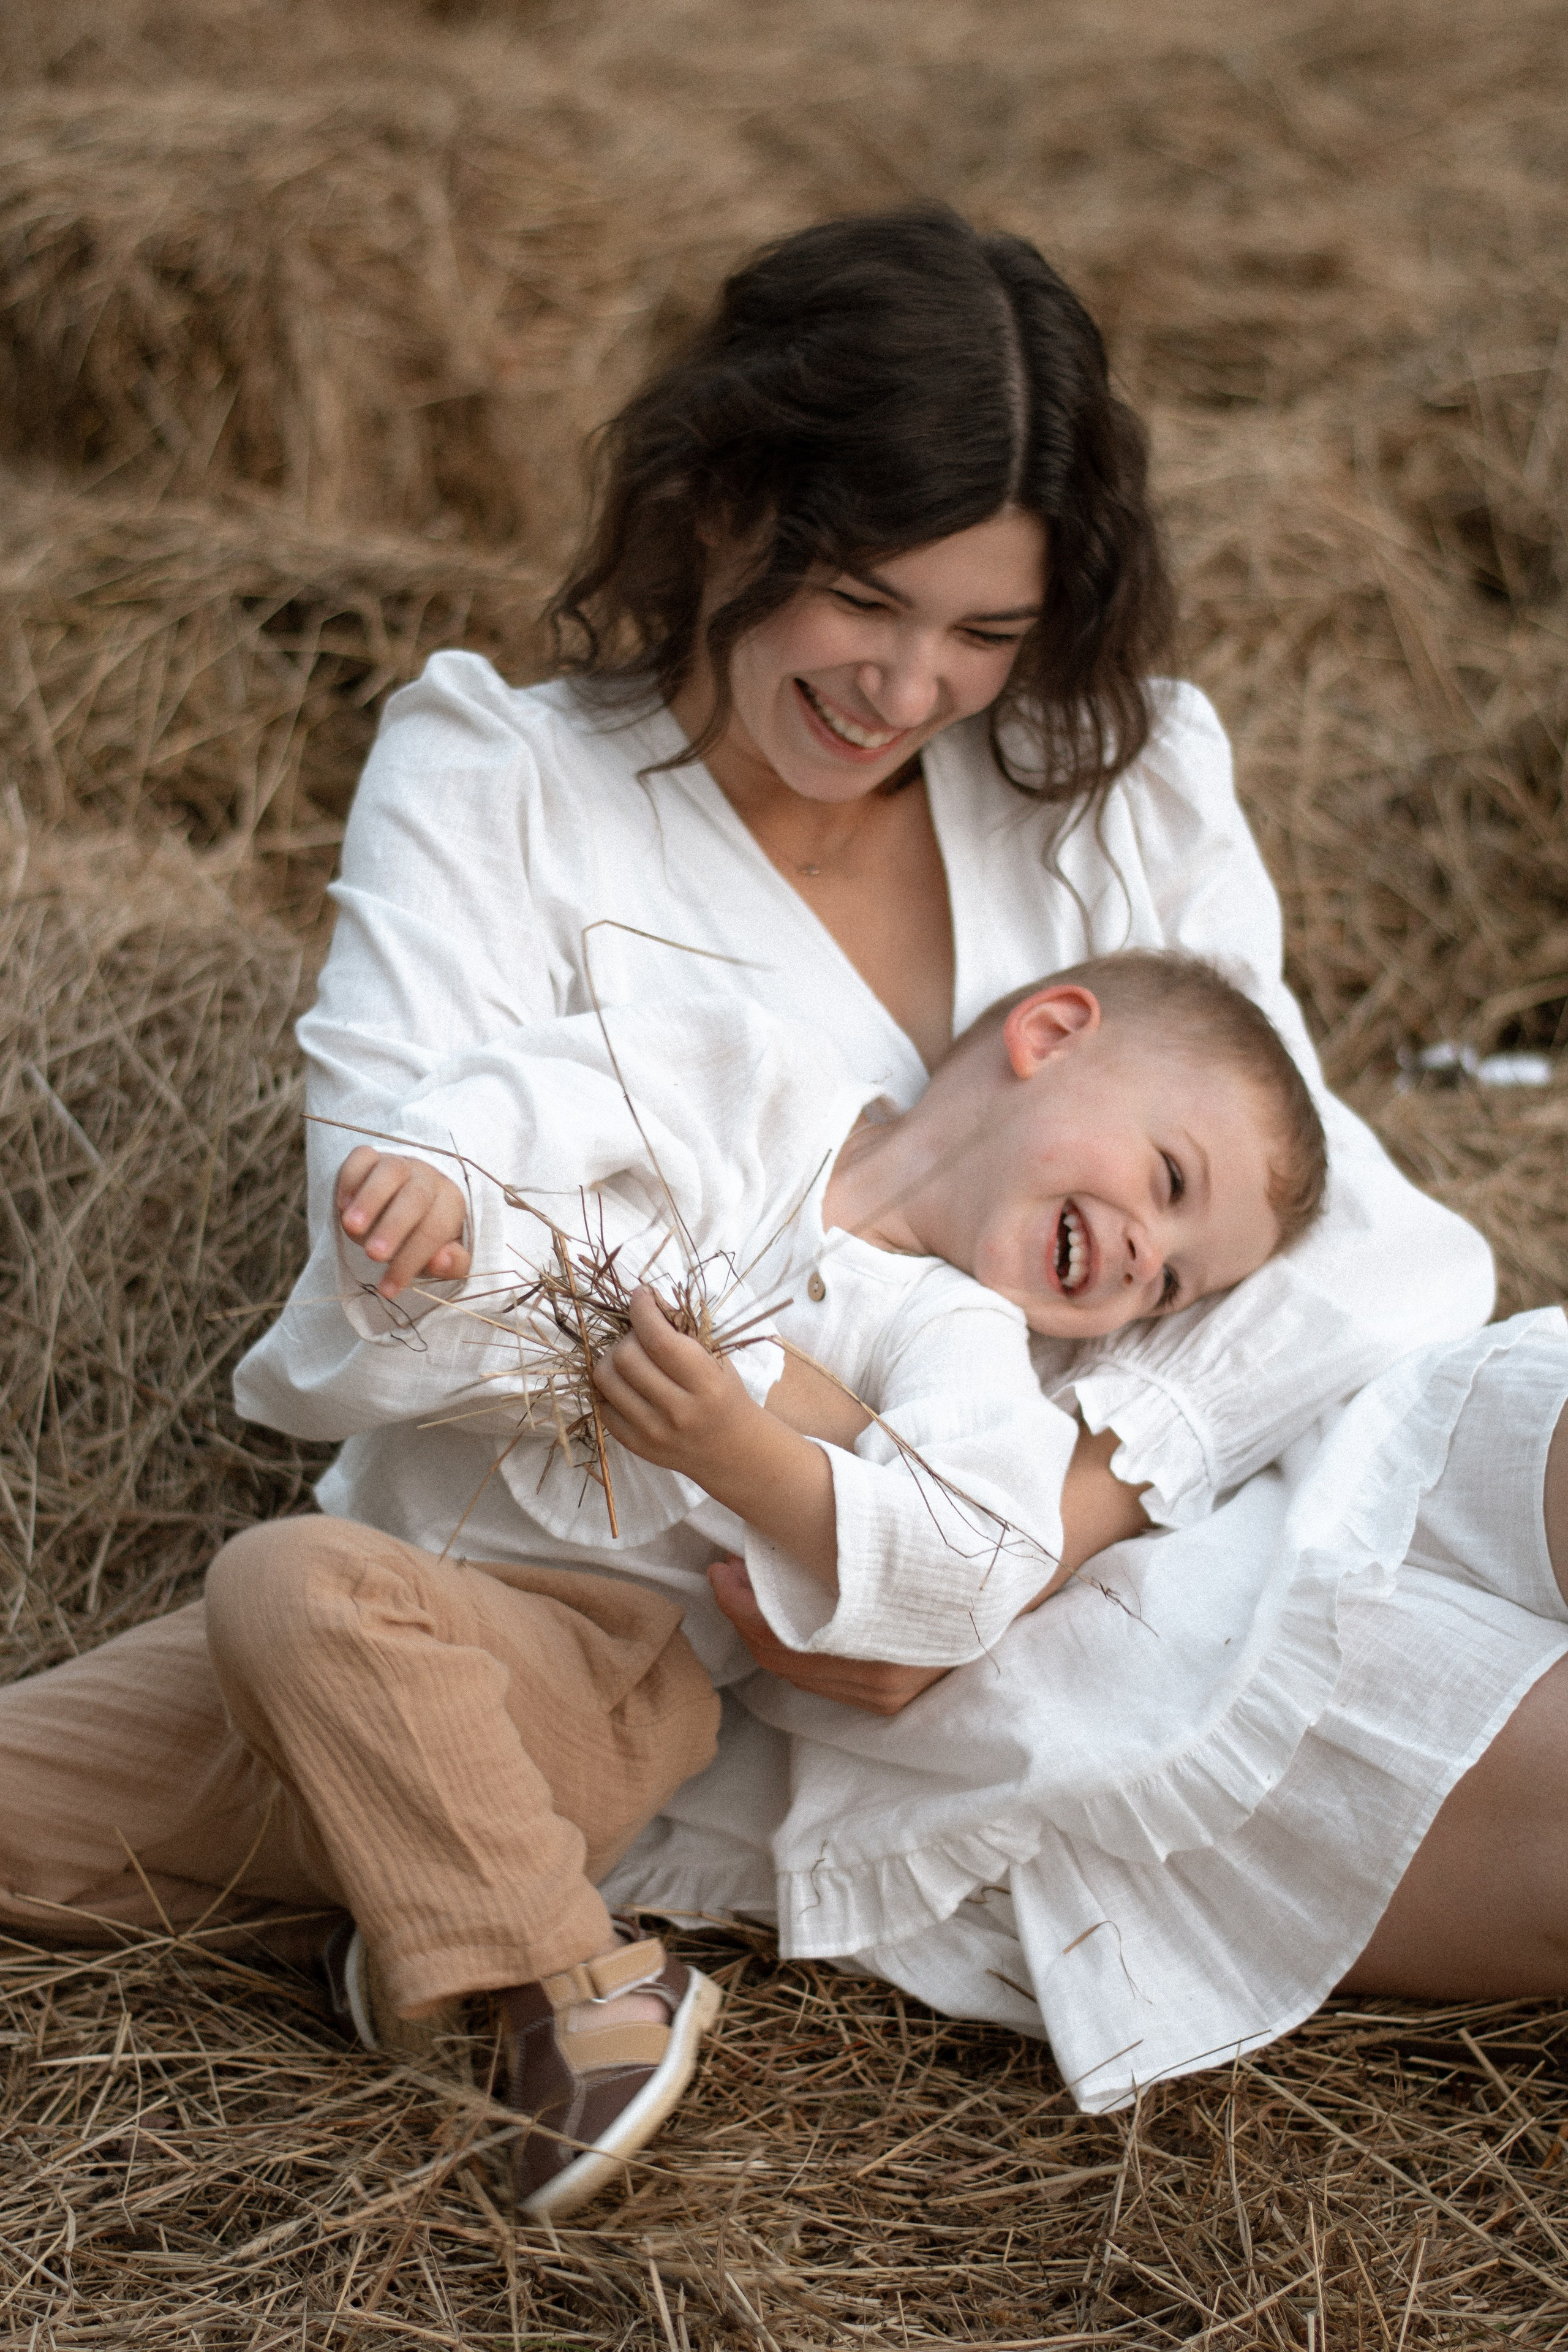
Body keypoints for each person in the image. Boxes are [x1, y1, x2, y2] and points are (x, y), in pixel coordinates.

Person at [3, 205, 1565, 2207]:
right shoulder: (505, 788)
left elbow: (1358, 1249)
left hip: (1187, 1468)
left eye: (988, 633)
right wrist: (840, 1485)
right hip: (802, 1636)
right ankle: (504, 1932)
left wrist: (1018, 1520)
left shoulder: (1114, 771)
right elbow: (410, 1301)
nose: (916, 686)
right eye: (865, 600)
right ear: (726, 496)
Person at [273, 948, 1325, 1675]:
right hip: (357, 1569)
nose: (1148, 1256)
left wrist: (742, 1454)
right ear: (1051, 1035)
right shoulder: (758, 1078)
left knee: (308, 1603)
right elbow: (548, 1094)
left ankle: (554, 1973)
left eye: (1174, 1288)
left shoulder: (953, 1335)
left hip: (598, 1666)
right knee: (267, 1599)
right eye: (1172, 1182)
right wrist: (446, 1175)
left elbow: (984, 1556)